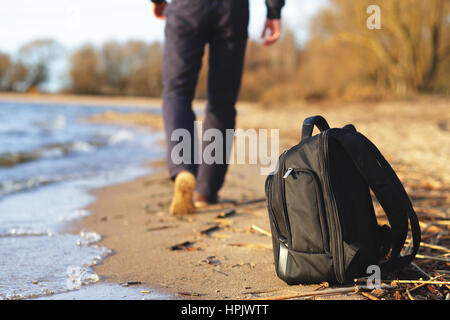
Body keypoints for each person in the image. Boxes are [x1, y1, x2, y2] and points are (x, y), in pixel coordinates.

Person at [151, 0, 284, 215]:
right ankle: (205, 192)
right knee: (222, 101)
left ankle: (183, 169)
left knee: (177, 93)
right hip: (232, 10)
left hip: (187, 8)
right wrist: (274, 10)